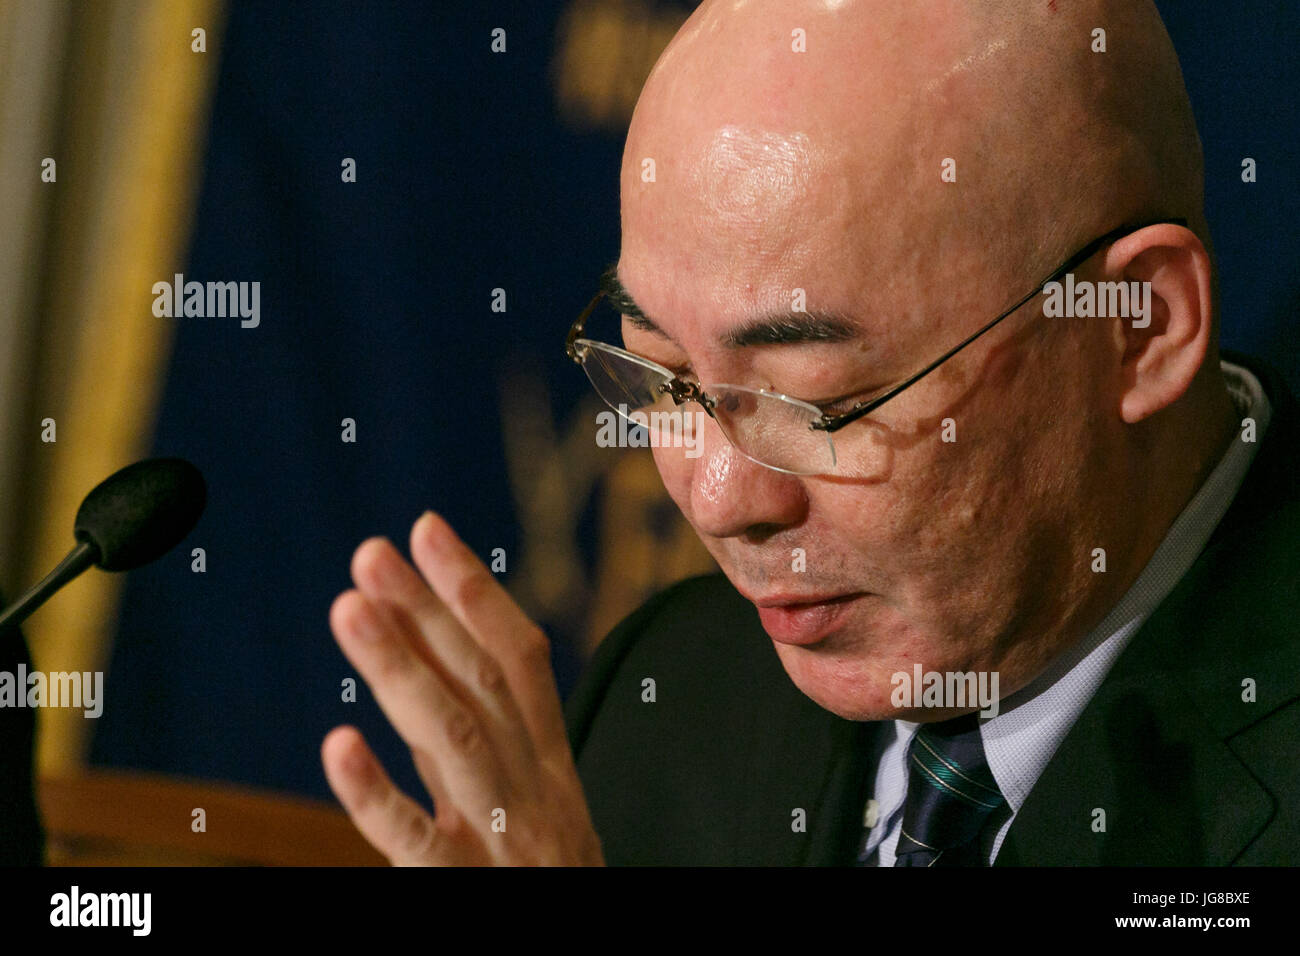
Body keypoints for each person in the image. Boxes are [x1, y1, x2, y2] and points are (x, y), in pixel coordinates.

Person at [319, 0, 1298, 866]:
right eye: (661, 373)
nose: (718, 499)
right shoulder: (669, 693)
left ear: (1137, 328)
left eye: (812, 400)